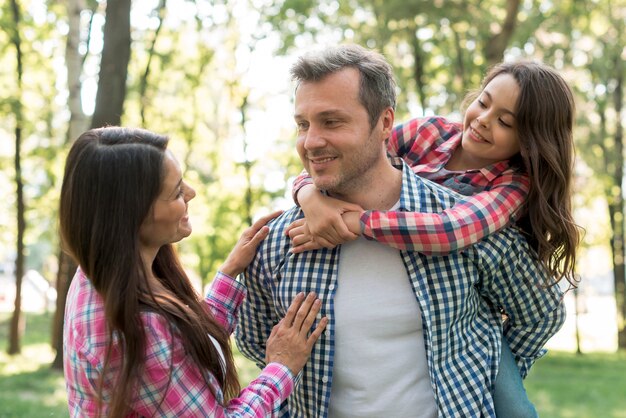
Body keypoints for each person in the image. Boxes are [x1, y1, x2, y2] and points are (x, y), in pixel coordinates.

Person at [234, 44, 566, 418]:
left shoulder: (486, 216)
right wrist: (307, 192)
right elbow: (253, 340)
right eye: (303, 124)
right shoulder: (280, 239)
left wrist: (483, 372)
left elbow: (540, 312)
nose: (311, 141)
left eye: (332, 121)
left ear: (384, 122)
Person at [59, 126, 328, 417]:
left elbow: (181, 356)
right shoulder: (138, 326)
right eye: (176, 192)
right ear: (133, 214)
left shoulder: (97, 276)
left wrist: (228, 274)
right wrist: (281, 367)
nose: (191, 193)